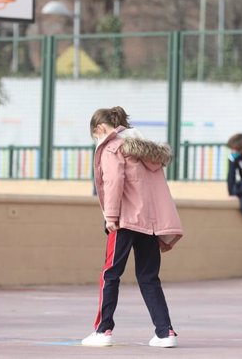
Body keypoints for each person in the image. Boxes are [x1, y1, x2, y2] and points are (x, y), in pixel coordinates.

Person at [81, 106, 183, 348]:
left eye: (95, 134)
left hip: (124, 220)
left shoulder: (111, 147)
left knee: (110, 274)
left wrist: (111, 216)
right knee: (149, 277)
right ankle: (165, 332)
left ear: (99, 128)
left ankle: (103, 330)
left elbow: (113, 181)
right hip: (149, 223)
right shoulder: (146, 152)